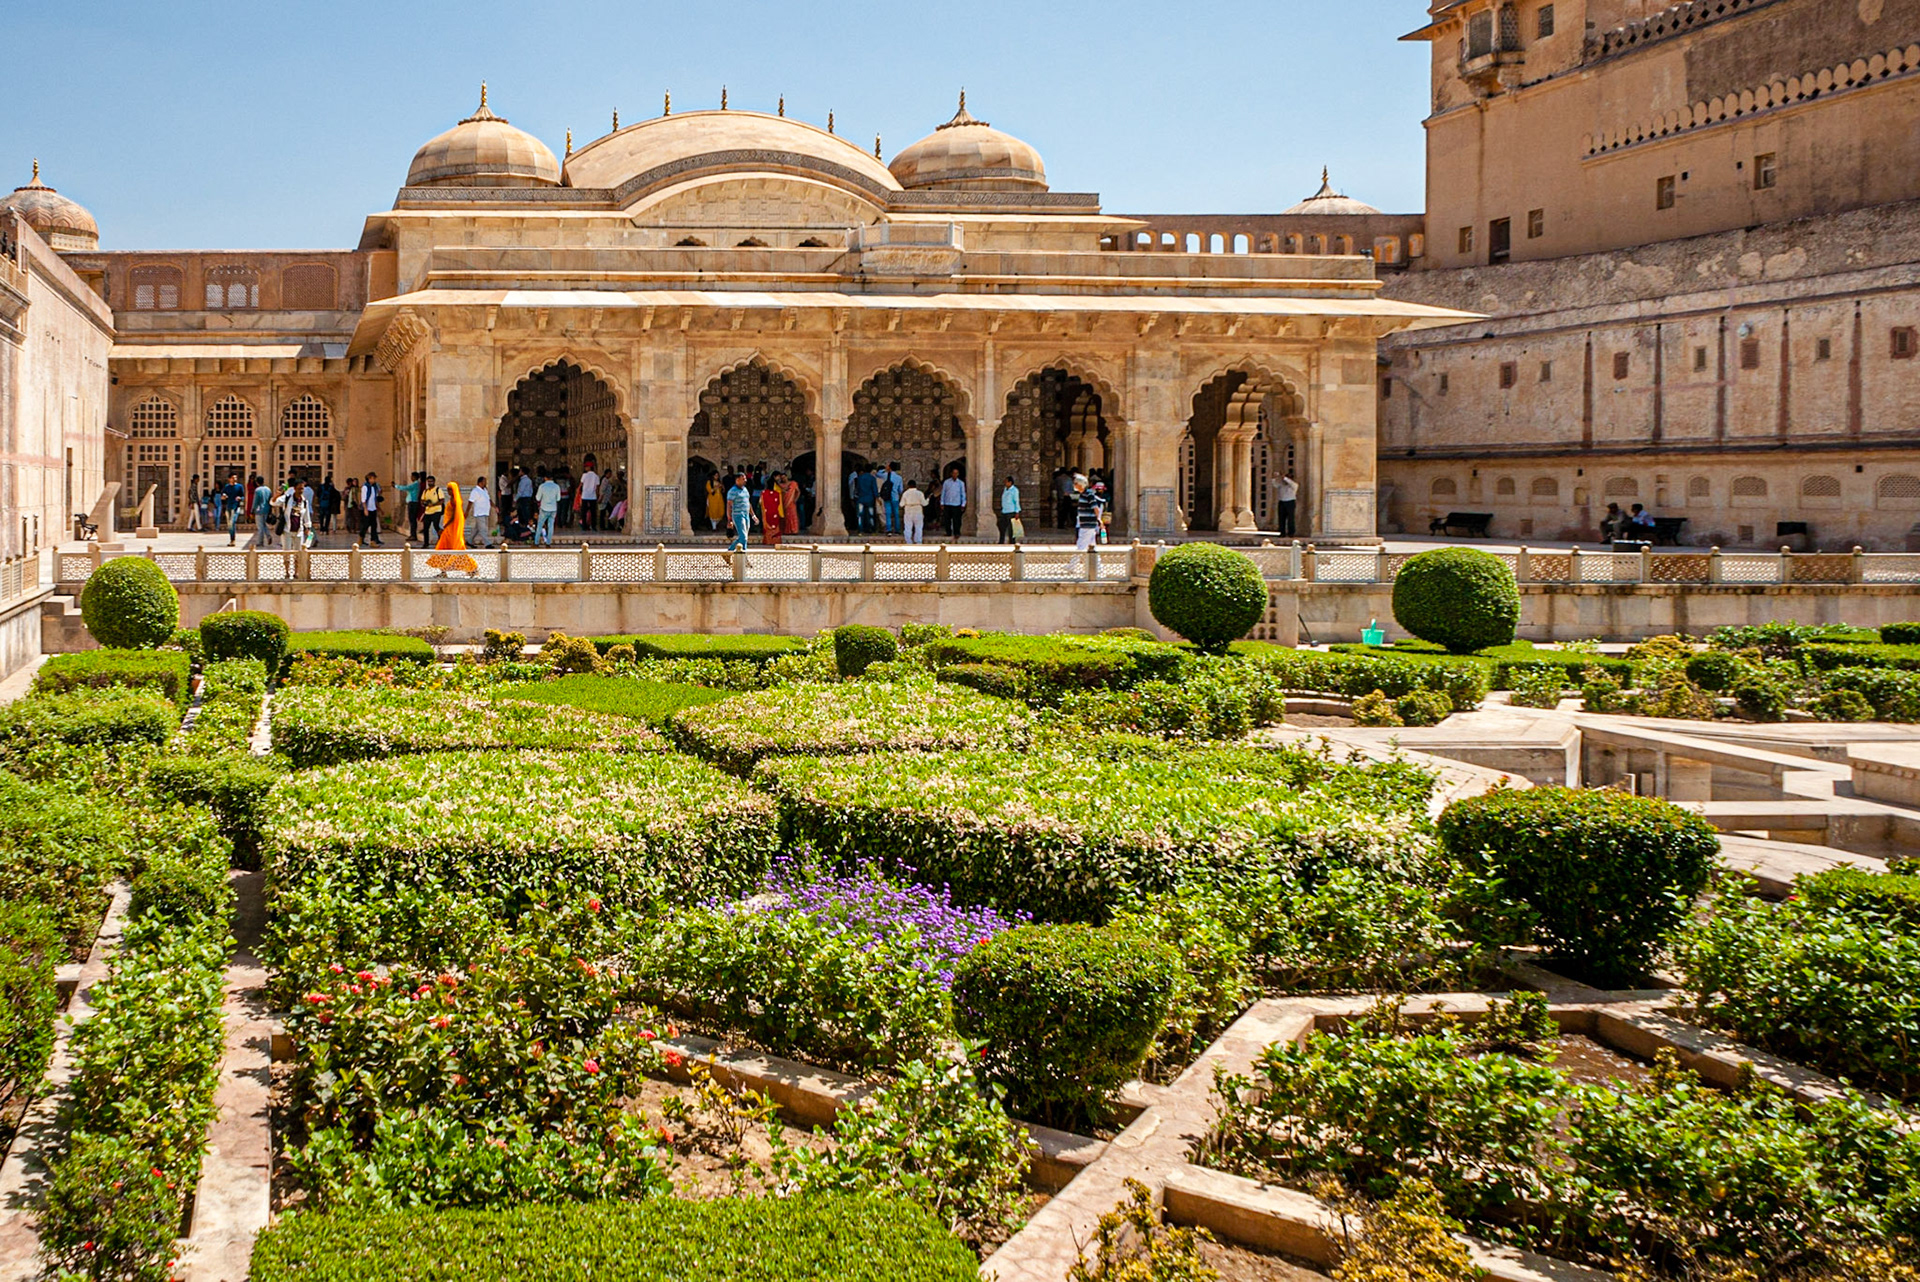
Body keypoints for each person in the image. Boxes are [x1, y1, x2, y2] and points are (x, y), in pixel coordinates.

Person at [426, 479, 478, 576]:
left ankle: (470, 567)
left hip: (451, 528)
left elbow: (455, 516)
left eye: (450, 490)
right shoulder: (452, 499)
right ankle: (445, 570)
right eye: (448, 490)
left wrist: (445, 526)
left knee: (453, 548)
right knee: (449, 548)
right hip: (449, 527)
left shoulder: (454, 500)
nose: (449, 492)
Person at [1074, 472, 1106, 552]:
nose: (1074, 485)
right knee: (1092, 545)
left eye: (1076, 483)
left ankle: (1073, 564)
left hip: (1088, 524)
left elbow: (1096, 508)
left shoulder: (1089, 494)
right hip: (1085, 524)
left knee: (1081, 544)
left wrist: (1099, 520)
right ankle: (1097, 564)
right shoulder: (1082, 495)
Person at [725, 472, 752, 552]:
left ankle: (743, 553)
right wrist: (729, 519)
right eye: (743, 479)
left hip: (746, 514)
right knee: (743, 536)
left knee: (745, 537)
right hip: (738, 515)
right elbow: (729, 505)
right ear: (737, 480)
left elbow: (748, 502)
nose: (745, 480)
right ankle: (730, 551)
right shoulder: (732, 491)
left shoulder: (745, 490)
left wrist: (752, 514)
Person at [534, 468, 562, 545]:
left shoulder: (542, 486)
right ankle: (548, 542)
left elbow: (538, 498)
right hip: (553, 508)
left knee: (540, 525)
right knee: (551, 525)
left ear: (545, 478)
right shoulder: (556, 486)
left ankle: (536, 542)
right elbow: (558, 498)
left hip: (544, 508)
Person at [940, 467, 968, 540]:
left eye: (956, 473)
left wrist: (963, 504)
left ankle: (957, 533)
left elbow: (963, 494)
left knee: (957, 520)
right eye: (953, 473)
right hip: (947, 503)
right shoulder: (946, 482)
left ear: (958, 474)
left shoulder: (961, 483)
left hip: (956, 504)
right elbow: (943, 492)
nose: (955, 474)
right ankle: (948, 532)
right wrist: (942, 502)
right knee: (947, 519)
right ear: (951, 474)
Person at [760, 473, 785, 547]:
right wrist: (782, 515)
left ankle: (768, 541)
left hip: (766, 514)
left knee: (767, 529)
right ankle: (775, 541)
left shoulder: (763, 493)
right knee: (775, 528)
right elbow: (779, 505)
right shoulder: (777, 494)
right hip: (775, 513)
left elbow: (761, 503)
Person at [399, 471, 425, 543]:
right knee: (412, 520)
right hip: (413, 503)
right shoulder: (417, 484)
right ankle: (412, 534)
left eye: (412, 476)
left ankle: (413, 535)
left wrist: (396, 486)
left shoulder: (415, 484)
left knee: (412, 519)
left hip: (413, 503)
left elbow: (406, 488)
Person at [358, 473, 383, 545]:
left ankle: (373, 541)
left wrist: (378, 508)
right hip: (367, 509)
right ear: (369, 479)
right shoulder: (365, 487)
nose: (374, 480)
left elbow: (374, 498)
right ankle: (361, 538)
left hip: (373, 509)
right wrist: (365, 509)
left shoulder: (374, 487)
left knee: (374, 525)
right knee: (365, 525)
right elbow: (363, 499)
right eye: (372, 478)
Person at [468, 476, 493, 548]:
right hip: (479, 513)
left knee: (477, 528)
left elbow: (489, 499)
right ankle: (487, 544)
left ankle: (469, 540)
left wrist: (494, 506)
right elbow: (470, 502)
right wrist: (467, 511)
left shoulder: (485, 490)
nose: (485, 483)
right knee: (483, 529)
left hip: (485, 512)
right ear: (480, 482)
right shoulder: (475, 491)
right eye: (484, 481)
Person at [900, 478, 927, 544]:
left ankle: (908, 541)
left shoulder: (905, 494)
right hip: (918, 511)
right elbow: (924, 503)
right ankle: (918, 541)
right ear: (915, 485)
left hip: (908, 511)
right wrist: (928, 500)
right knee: (918, 527)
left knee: (908, 527)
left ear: (908, 486)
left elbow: (901, 504)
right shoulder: (920, 493)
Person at [853, 465, 879, 534]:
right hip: (870, 498)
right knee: (870, 515)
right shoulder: (872, 478)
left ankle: (860, 530)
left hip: (861, 498)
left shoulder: (859, 478)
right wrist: (876, 497)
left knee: (860, 515)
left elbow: (857, 488)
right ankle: (871, 529)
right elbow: (874, 489)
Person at [420, 476, 444, 545]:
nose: (430, 483)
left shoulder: (438, 490)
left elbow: (442, 500)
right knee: (425, 528)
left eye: (431, 481)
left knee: (436, 526)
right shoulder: (426, 491)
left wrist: (433, 504)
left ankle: (441, 539)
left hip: (436, 511)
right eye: (428, 481)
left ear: (434, 481)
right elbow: (422, 500)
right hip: (427, 512)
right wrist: (424, 503)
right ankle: (426, 543)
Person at [998, 476, 1022, 544]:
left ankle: (1012, 542)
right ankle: (1001, 541)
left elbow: (1016, 501)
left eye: (1006, 481)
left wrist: (1017, 512)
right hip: (1004, 511)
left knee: (1011, 528)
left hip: (1011, 511)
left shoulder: (1014, 490)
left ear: (1010, 482)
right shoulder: (1005, 489)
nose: (1005, 483)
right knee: (1002, 526)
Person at [578, 458, 600, 533]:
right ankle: (593, 526)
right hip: (593, 496)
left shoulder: (584, 475)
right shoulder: (596, 476)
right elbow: (597, 487)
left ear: (589, 467)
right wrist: (597, 495)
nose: (585, 468)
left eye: (586, 467)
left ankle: (584, 526)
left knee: (583, 512)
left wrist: (578, 493)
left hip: (585, 495)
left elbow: (581, 484)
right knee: (593, 512)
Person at [222, 474, 244, 545]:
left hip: (236, 507)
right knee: (229, 524)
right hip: (229, 506)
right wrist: (224, 496)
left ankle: (233, 539)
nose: (235, 479)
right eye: (233, 478)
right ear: (229, 479)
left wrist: (240, 498)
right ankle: (232, 539)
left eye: (235, 478)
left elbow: (243, 496)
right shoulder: (227, 487)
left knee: (232, 522)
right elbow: (223, 495)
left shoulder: (239, 486)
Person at [252, 475, 274, 546]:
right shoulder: (268, 489)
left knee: (260, 527)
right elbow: (270, 500)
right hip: (266, 509)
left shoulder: (257, 490)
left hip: (259, 510)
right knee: (264, 525)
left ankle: (260, 542)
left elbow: (255, 501)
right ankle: (268, 536)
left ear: (257, 482)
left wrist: (252, 509)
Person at [1276, 472, 1298, 538]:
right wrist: (1276, 477)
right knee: (1281, 518)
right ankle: (1282, 532)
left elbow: (1290, 483)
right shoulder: (1281, 485)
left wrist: (1285, 478)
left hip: (1290, 502)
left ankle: (1291, 533)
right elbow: (1275, 484)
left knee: (1291, 518)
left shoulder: (1294, 485)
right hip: (1282, 502)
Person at [886, 463, 904, 535]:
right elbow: (901, 490)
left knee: (888, 514)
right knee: (896, 514)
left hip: (887, 497)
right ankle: (897, 530)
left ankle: (889, 530)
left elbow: (877, 474)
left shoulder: (885, 475)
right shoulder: (899, 478)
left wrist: (885, 470)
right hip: (895, 497)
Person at [781, 472, 801, 537]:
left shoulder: (793, 484)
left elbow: (798, 491)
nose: (784, 479)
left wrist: (795, 499)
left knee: (793, 515)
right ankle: (787, 530)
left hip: (791, 502)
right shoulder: (781, 485)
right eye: (782, 478)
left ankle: (794, 530)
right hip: (784, 502)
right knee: (786, 516)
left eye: (784, 477)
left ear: (787, 476)